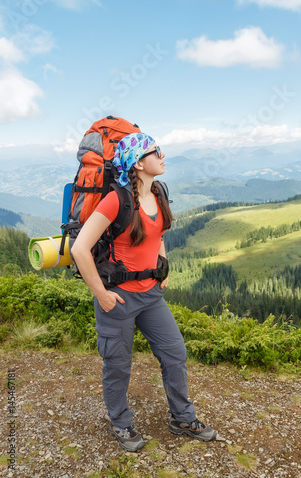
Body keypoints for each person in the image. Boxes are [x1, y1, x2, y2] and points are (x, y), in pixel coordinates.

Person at [71, 132, 217, 452]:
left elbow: (157, 234)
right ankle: (121, 423)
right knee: (118, 365)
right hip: (119, 299)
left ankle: (181, 417)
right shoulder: (116, 199)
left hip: (151, 295)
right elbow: (80, 249)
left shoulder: (159, 192)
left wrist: (161, 265)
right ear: (138, 163)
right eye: (156, 151)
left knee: (175, 353)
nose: (163, 156)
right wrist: (102, 295)